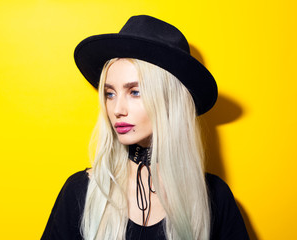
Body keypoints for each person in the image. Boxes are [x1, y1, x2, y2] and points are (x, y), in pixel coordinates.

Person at [41, 15, 249, 240]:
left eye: (135, 92)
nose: (117, 109)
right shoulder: (80, 191)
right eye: (110, 93)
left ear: (170, 100)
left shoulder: (215, 198)